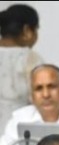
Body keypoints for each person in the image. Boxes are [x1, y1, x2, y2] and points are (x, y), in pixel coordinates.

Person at [0, 3, 43, 133]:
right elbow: (43, 100)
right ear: (27, 31)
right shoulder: (31, 59)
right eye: (36, 29)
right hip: (17, 134)